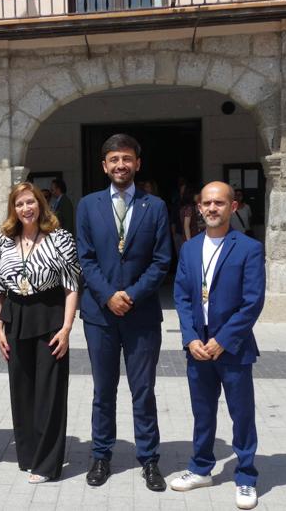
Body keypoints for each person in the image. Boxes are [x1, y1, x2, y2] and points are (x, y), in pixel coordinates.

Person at [76, 133, 171, 490]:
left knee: (143, 390)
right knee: (104, 390)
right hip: (100, 316)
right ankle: (101, 455)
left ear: (137, 163)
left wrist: (129, 295)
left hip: (141, 314)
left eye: (127, 159)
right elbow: (85, 257)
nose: (121, 165)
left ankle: (149, 459)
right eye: (114, 160)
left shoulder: (156, 207)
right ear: (104, 166)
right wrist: (107, 296)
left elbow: (162, 261)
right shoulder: (88, 205)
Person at [171, 181, 265, 510]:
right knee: (203, 413)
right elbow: (181, 298)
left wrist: (222, 340)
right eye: (207, 203)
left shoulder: (248, 248)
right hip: (198, 347)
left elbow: (252, 303)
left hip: (233, 347)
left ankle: (246, 476)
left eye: (219, 203)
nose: (212, 208)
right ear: (199, 208)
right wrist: (191, 337)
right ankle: (201, 468)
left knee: (242, 414)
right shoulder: (190, 248)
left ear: (233, 207)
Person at [0, 182, 80, 483]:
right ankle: (28, 456)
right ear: (13, 210)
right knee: (22, 391)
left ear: (40, 205)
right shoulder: (4, 241)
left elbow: (71, 287)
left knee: (49, 392)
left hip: (49, 317)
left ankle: (47, 464)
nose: (25, 209)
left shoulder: (60, 239)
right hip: (15, 318)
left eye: (30, 202)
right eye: (19, 204)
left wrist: (67, 328)